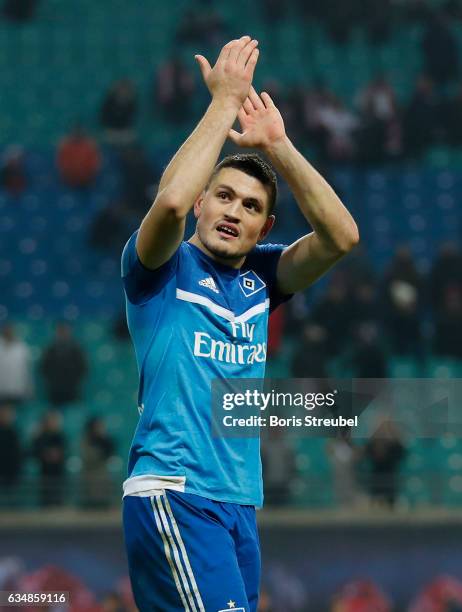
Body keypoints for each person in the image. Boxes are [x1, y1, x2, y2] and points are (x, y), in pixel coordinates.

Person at [121, 36, 359, 612]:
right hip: (176, 492)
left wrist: (278, 145)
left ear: (265, 225)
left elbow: (341, 237)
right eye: (223, 197)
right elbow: (171, 203)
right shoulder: (158, 266)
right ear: (204, 203)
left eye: (251, 207)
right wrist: (224, 103)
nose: (233, 211)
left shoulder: (260, 280)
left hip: (237, 504)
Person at [40, 322, 88, 408]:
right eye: (61, 331)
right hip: (54, 390)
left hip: (72, 389)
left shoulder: (77, 349)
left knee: (74, 413)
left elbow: (83, 368)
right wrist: (52, 381)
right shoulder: (50, 349)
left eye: (65, 331)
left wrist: (74, 381)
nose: (63, 333)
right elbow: (44, 368)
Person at [0, 324, 34, 406]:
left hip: (17, 390)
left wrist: (30, 389)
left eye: (11, 331)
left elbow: (27, 370)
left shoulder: (22, 348)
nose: (9, 333)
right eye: (7, 330)